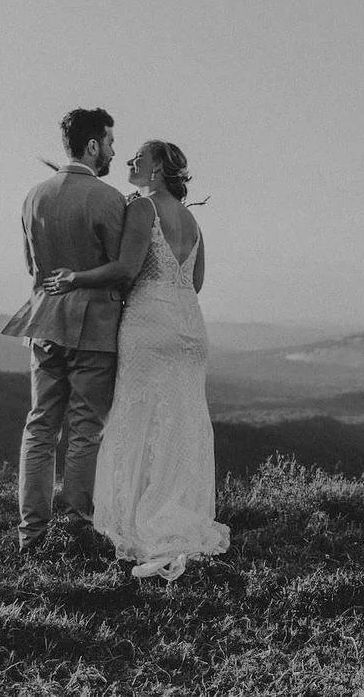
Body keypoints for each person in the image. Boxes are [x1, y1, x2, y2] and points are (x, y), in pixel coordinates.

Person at [44, 139, 229, 581]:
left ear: (158, 168)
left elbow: (127, 269)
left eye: (139, 159)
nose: (130, 161)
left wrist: (75, 278)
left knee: (137, 413)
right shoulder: (192, 220)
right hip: (189, 325)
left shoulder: (144, 208)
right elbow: (196, 282)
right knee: (182, 420)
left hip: (149, 322)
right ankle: (178, 510)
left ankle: (136, 515)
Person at [0, 108, 127, 552]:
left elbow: (32, 266)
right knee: (85, 429)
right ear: (92, 146)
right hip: (93, 328)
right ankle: (73, 537)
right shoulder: (108, 199)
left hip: (44, 322)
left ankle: (30, 537)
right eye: (110, 142)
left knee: (39, 428)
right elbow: (120, 271)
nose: (113, 151)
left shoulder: (34, 196)